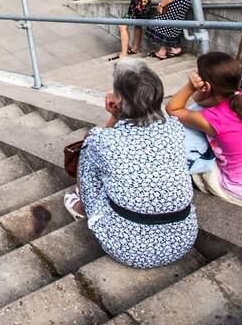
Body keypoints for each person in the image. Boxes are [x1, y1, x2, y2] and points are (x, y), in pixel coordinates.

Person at [69, 60, 197, 268]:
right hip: (182, 241)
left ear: (119, 100)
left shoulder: (101, 139)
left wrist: (113, 116)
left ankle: (79, 208)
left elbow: (88, 184)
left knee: (91, 170)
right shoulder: (175, 128)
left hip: (126, 248)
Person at [167, 52, 242, 211]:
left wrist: (191, 86)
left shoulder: (214, 119)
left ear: (206, 86)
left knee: (179, 130)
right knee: (196, 111)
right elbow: (201, 101)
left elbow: (172, 109)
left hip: (240, 193)